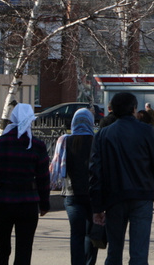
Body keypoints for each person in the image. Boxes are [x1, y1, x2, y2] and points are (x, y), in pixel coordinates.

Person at [89, 92, 154, 265]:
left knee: (114, 251)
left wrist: (97, 207)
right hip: (142, 196)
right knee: (139, 253)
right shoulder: (147, 131)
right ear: (134, 109)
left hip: (114, 198)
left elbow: (95, 173)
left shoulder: (103, 135)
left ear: (113, 109)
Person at [0, 103, 51, 265]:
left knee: (1, 248)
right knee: (24, 249)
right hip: (28, 204)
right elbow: (43, 180)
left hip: (3, 203)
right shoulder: (37, 146)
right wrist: (44, 205)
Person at [57, 108, 98, 265]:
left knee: (76, 234)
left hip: (71, 194)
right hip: (92, 195)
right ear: (91, 122)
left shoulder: (65, 140)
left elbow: (57, 168)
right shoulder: (96, 141)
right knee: (90, 234)